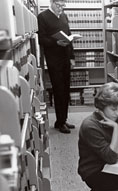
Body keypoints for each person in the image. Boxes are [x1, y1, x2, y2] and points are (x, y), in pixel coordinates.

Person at [37, 0, 75, 134]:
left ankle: (62, 119)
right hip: (54, 60)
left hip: (65, 58)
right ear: (51, 2)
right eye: (58, 5)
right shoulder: (42, 17)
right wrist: (56, 42)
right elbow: (41, 39)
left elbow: (69, 36)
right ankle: (60, 122)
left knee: (66, 89)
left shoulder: (64, 16)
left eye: (63, 6)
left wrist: (72, 57)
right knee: (58, 90)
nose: (60, 8)